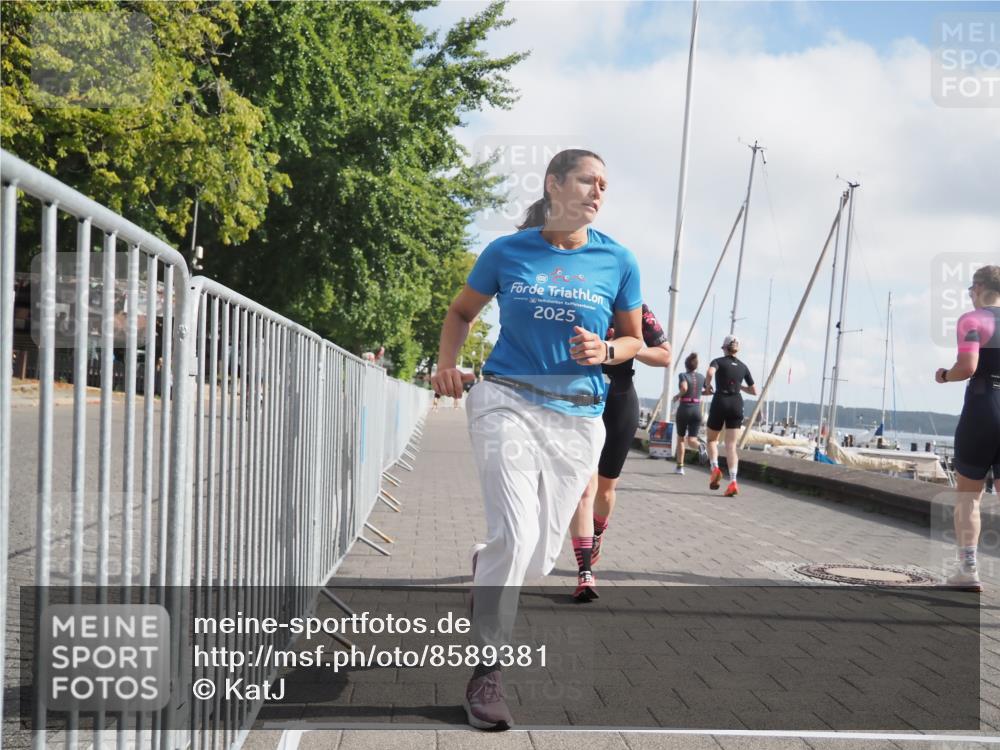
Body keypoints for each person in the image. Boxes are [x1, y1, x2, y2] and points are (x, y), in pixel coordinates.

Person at [431, 149, 644, 730]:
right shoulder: (507, 251)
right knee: (515, 531)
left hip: (577, 416)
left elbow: (632, 341)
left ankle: (488, 566)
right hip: (505, 400)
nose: (598, 191)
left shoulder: (618, 260)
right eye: (587, 180)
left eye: (605, 184)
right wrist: (447, 363)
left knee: (539, 557)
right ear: (553, 184)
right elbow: (460, 312)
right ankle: (486, 674)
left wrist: (607, 351)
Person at [568, 304, 671, 600]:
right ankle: (585, 572)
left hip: (620, 399)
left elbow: (664, 354)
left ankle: (597, 533)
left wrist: (628, 346)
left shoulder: (637, 310)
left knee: (605, 491)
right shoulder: (582, 301)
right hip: (581, 399)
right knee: (585, 488)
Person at [936, 265, 1000, 593]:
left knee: (969, 497)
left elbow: (968, 367)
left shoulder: (972, 320)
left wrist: (945, 374)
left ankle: (969, 569)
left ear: (977, 288)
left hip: (983, 406)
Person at [703, 335, 757, 497]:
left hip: (720, 401)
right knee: (731, 446)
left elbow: (709, 372)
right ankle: (733, 481)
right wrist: (740, 387)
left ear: (724, 348)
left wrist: (707, 386)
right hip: (736, 403)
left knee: (712, 440)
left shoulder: (718, 361)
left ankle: (715, 469)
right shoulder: (743, 366)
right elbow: (754, 391)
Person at [671, 351, 706, 475]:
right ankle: (700, 446)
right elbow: (708, 390)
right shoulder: (702, 377)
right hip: (697, 409)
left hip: (685, 408)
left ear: (686, 366)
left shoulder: (683, 375)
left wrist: (677, 396)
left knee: (681, 439)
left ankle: (680, 467)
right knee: (692, 440)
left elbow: (684, 388)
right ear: (696, 366)